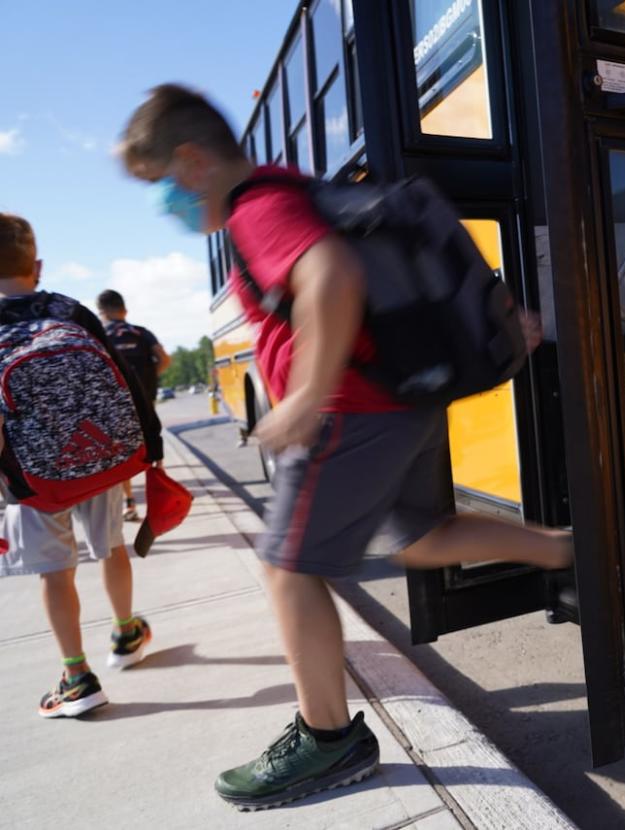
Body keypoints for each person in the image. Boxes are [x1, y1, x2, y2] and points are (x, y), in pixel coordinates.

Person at [118, 84, 572, 810]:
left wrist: (304, 395)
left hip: (347, 412)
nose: (163, 205)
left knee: (288, 568)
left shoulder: (254, 208)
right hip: (397, 401)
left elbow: (331, 276)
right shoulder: (291, 185)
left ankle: (328, 742)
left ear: (193, 161)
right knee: (418, 535)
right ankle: (566, 551)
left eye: (159, 185)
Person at [0, 214, 161, 717]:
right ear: (38, 265)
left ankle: (76, 675)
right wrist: (149, 441)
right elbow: (121, 377)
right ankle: (126, 633)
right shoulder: (68, 308)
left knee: (54, 571)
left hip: (30, 473)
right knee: (110, 546)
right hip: (95, 456)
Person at [96, 289, 171, 521]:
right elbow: (165, 359)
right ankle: (162, 495)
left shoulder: (100, 335)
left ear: (101, 312)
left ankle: (129, 503)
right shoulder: (141, 333)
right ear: (124, 310)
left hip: (117, 405)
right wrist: (148, 380)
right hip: (146, 400)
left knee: (122, 453)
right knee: (151, 444)